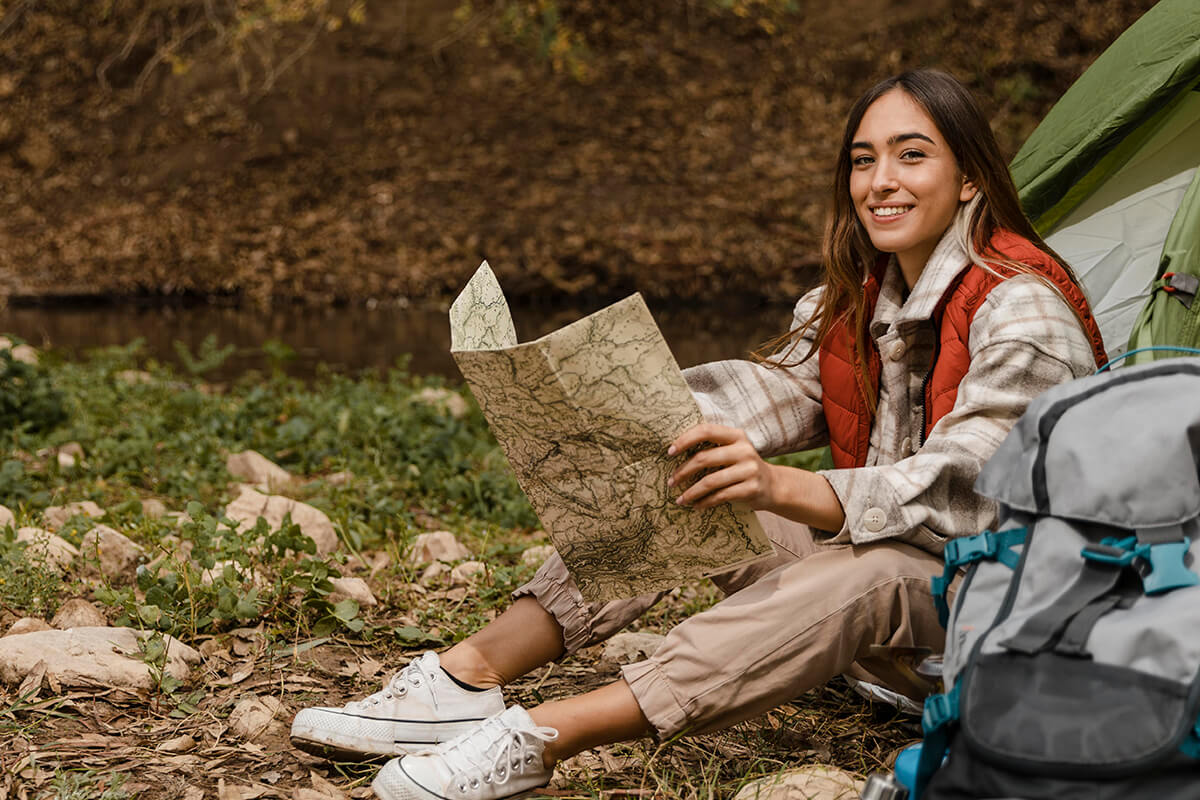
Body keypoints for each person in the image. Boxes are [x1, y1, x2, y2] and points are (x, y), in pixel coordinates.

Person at [291, 69, 1108, 800]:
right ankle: (466, 682)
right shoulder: (861, 298)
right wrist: (602, 418)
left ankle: (543, 737)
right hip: (898, 625)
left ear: (969, 178)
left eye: (910, 156)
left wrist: (787, 486)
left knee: (872, 571)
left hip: (999, 621)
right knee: (686, 467)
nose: (879, 182)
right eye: (863, 160)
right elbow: (762, 393)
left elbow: (970, 486)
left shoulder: (1023, 309)